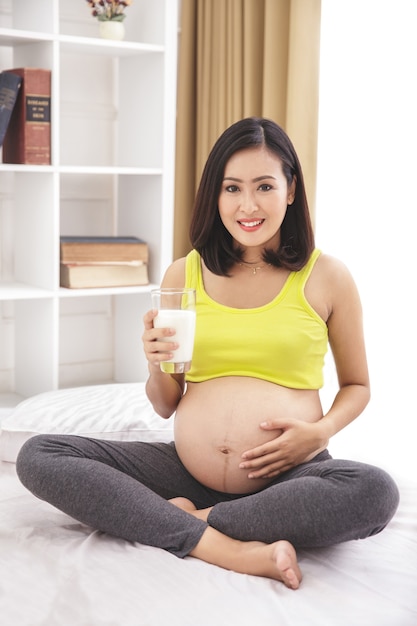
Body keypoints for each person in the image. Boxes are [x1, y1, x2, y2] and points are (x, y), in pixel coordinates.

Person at [16, 117, 399, 590]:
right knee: (40, 454)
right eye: (232, 188)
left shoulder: (328, 277)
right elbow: (164, 404)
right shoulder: (184, 274)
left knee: (374, 491)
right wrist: (157, 362)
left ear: (291, 189)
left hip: (286, 474)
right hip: (184, 469)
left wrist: (318, 433)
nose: (248, 205)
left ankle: (192, 521)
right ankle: (220, 545)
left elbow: (358, 386)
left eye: (264, 186)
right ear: (215, 196)